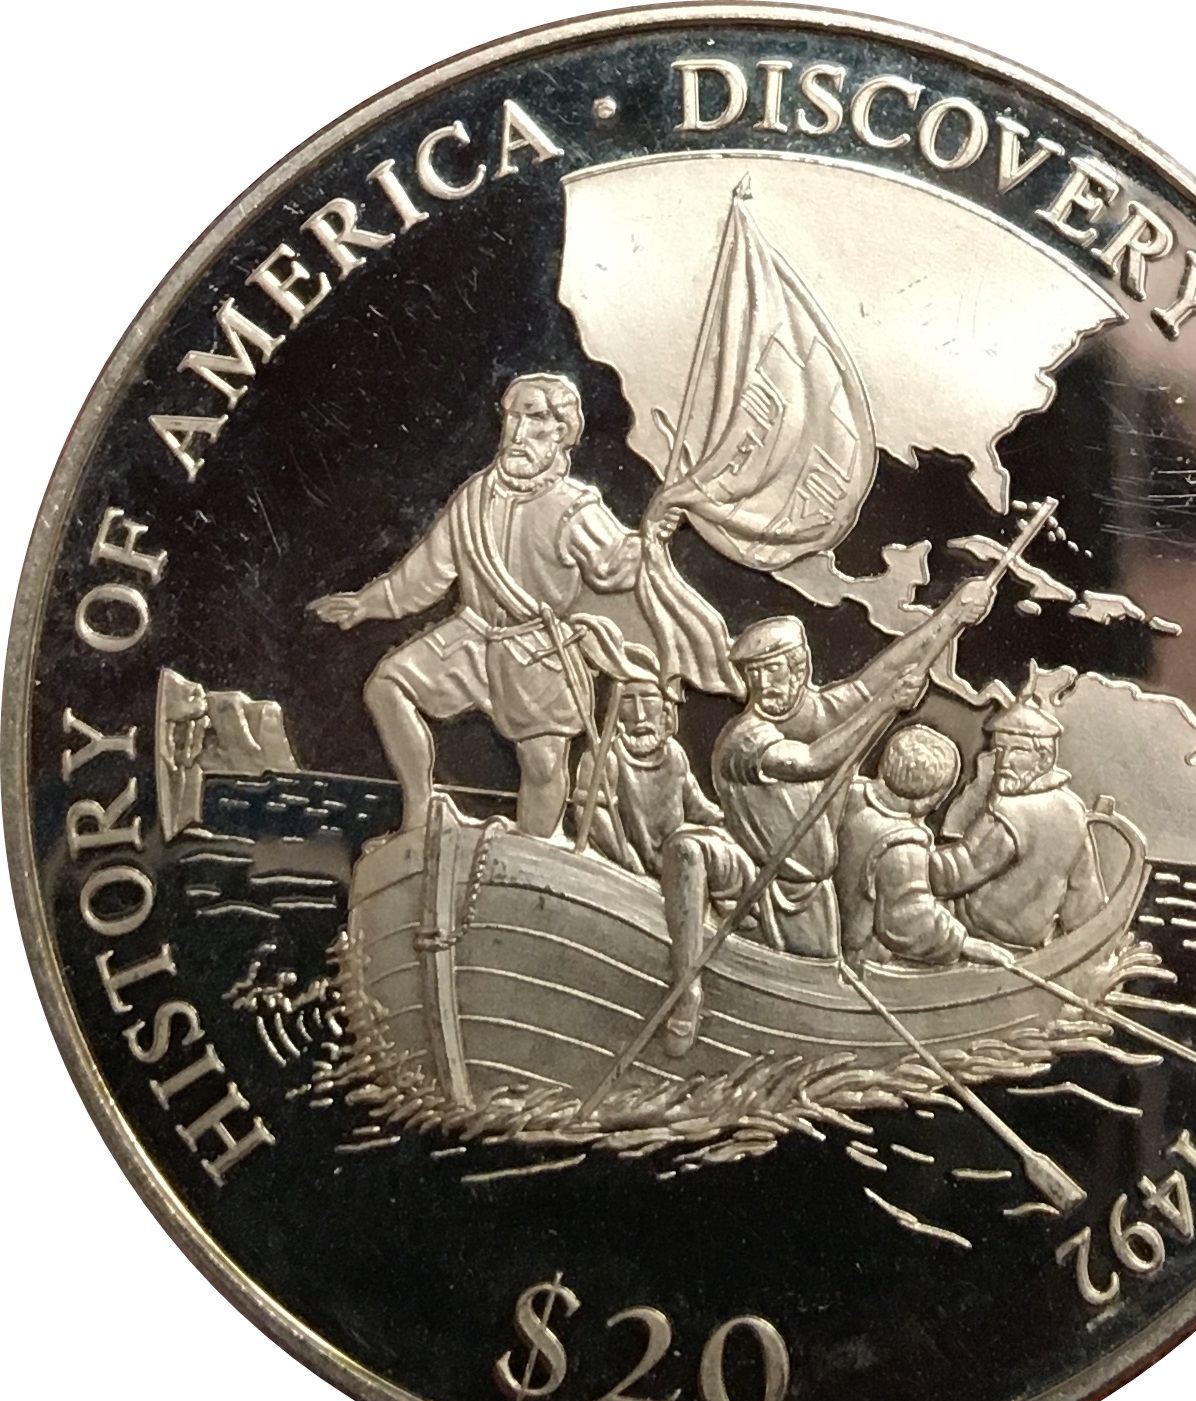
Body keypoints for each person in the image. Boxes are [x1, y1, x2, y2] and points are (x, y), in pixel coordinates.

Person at [310, 373, 670, 839]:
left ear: (561, 431)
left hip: (538, 649)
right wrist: (366, 603)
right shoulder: (474, 498)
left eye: (534, 419)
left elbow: (613, 567)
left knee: (543, 765)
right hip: (473, 636)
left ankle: (537, 847)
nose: (517, 433)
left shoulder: (575, 507)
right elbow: (426, 573)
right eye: (512, 418)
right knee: (388, 686)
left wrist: (651, 541)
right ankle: (419, 812)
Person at [659, 569, 997, 1056]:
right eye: (757, 673)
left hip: (809, 896)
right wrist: (884, 707)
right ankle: (685, 988)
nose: (767, 683)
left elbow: (885, 671)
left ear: (802, 667)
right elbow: (810, 762)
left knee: (812, 1009)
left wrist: (952, 617)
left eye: (779, 669)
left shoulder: (818, 711)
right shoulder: (743, 739)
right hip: (750, 876)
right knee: (688, 849)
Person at [836, 724, 1015, 971]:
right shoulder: (903, 845)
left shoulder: (848, 795)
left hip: (834, 935)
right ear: (928, 801)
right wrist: (963, 944)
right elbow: (909, 921)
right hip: (865, 958)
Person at [936, 695, 1107, 948]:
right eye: (999, 750)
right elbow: (1083, 895)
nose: (1003, 762)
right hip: (1032, 938)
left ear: (1044, 758)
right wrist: (1084, 943)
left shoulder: (1007, 811)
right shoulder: (1073, 809)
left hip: (977, 928)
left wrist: (910, 861)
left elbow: (957, 873)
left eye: (1017, 751)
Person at [571, 646, 721, 877]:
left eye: (649, 698)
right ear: (612, 708)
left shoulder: (675, 754)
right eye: (627, 700)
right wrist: (626, 857)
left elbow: (698, 807)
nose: (640, 715)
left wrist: (725, 822)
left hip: (677, 861)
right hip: (630, 871)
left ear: (665, 706)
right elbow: (591, 816)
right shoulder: (603, 758)